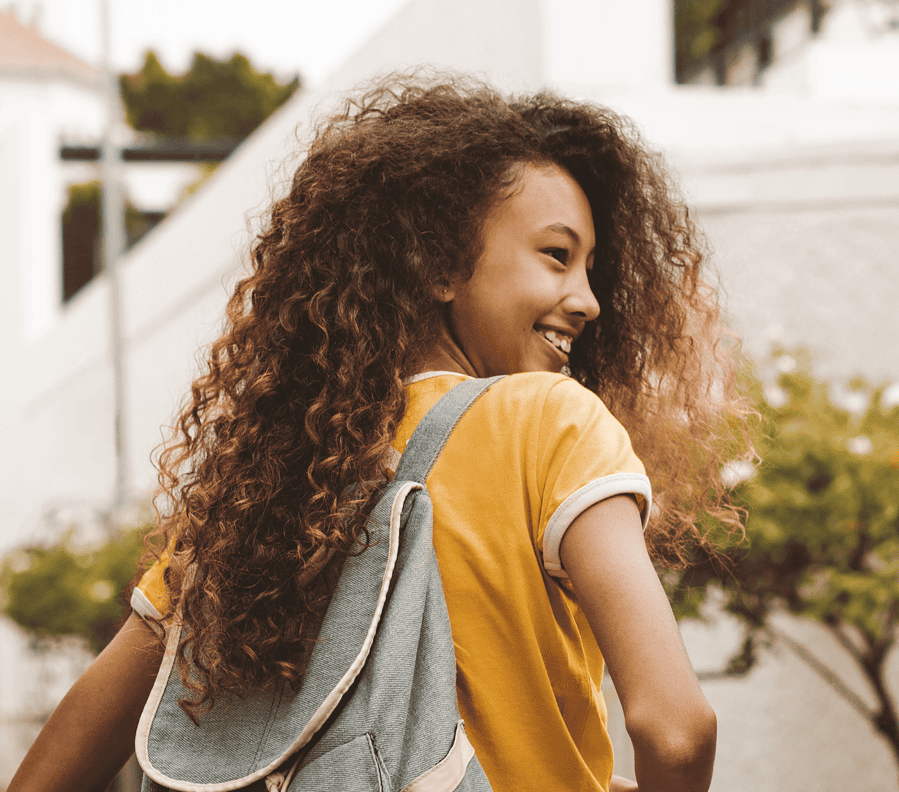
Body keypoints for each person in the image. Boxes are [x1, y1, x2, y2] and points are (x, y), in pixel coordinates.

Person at [10, 74, 753, 792]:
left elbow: (78, 733)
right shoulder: (549, 421)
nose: (588, 301)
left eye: (592, 269)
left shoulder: (281, 475)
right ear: (436, 263)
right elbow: (676, 729)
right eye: (557, 256)